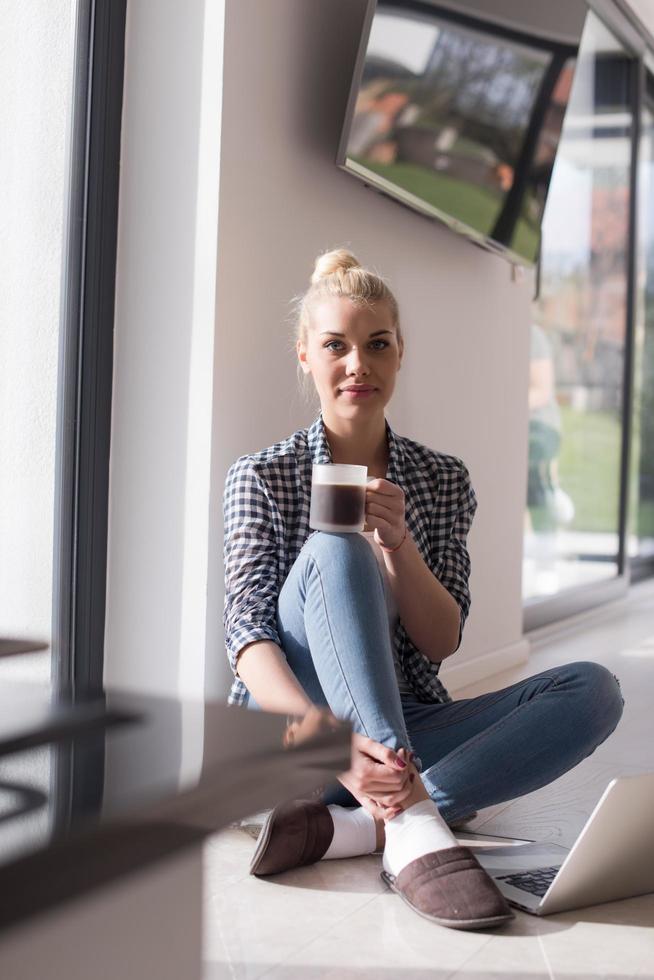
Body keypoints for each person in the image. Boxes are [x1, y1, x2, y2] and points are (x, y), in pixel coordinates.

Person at [222, 249, 623, 930]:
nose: (358, 365)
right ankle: (410, 823)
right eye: (335, 346)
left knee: (594, 690)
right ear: (304, 356)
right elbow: (247, 638)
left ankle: (363, 829)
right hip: (296, 740)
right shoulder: (260, 477)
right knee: (332, 548)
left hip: (402, 736)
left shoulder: (440, 480)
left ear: (400, 352)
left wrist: (399, 547)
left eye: (377, 344)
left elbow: (440, 640)